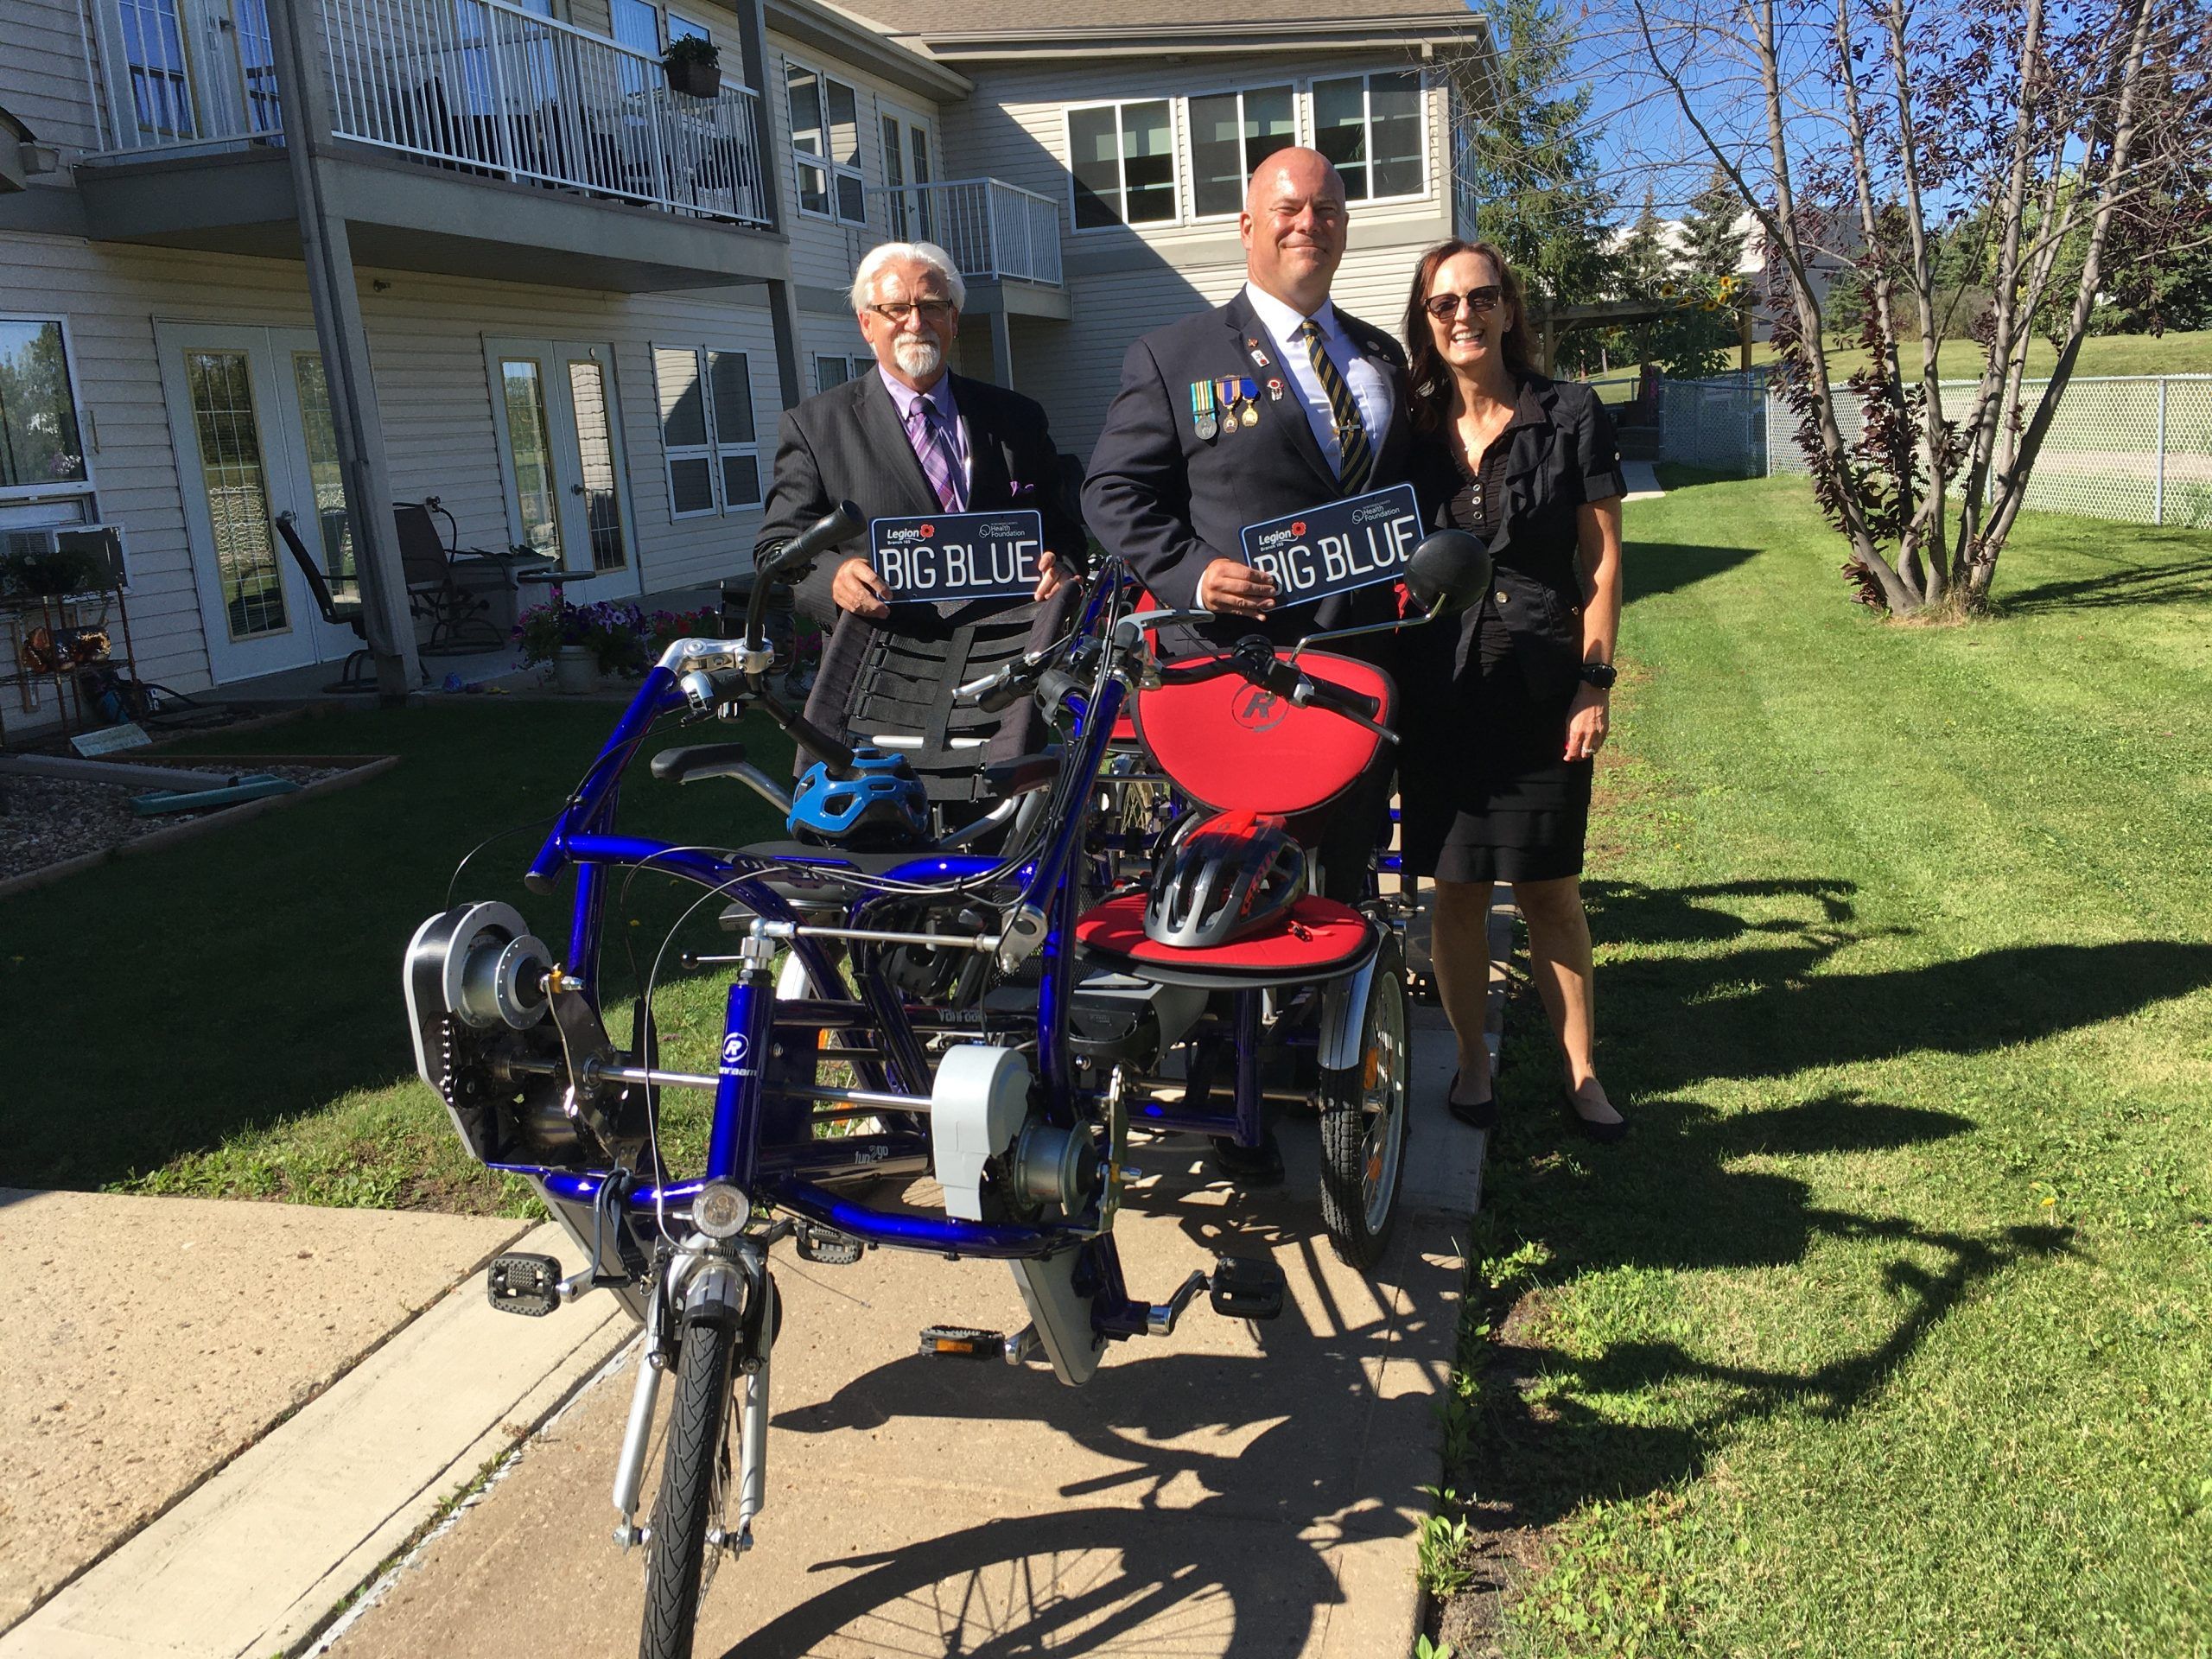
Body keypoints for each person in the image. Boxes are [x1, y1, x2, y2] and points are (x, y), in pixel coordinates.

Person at [1083, 148, 1416, 1180]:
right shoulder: (1173, 355)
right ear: (1246, 224)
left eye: (1323, 209)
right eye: (1285, 208)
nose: (1304, 223)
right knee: (1230, 884)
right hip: (1234, 682)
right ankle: (1228, 1092)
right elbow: (1111, 496)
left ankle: (1330, 1070)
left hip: (1354, 674)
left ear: (1344, 227)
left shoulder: (1379, 359)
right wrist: (1191, 575)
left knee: (1340, 876)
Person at [1398, 239, 1629, 1142]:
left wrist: (1593, 682)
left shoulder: (1567, 412)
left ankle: (1580, 1073)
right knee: (1453, 892)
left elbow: (1602, 562)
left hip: (1541, 686)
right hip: (1440, 694)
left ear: (1506, 309)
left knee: (1549, 893)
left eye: (1479, 298)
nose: (1463, 315)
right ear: (1425, 321)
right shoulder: (1408, 435)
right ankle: (1470, 1060)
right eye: (1443, 303)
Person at [755, 240, 1083, 770]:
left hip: (1006, 672)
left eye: (932, 306)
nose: (916, 321)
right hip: (882, 674)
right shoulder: (816, 426)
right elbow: (778, 551)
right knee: (878, 839)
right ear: (867, 324)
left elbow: (1064, 528)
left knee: (1004, 834)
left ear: (954, 318)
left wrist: (1060, 565)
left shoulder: (1018, 418)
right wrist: (833, 578)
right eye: (896, 309)